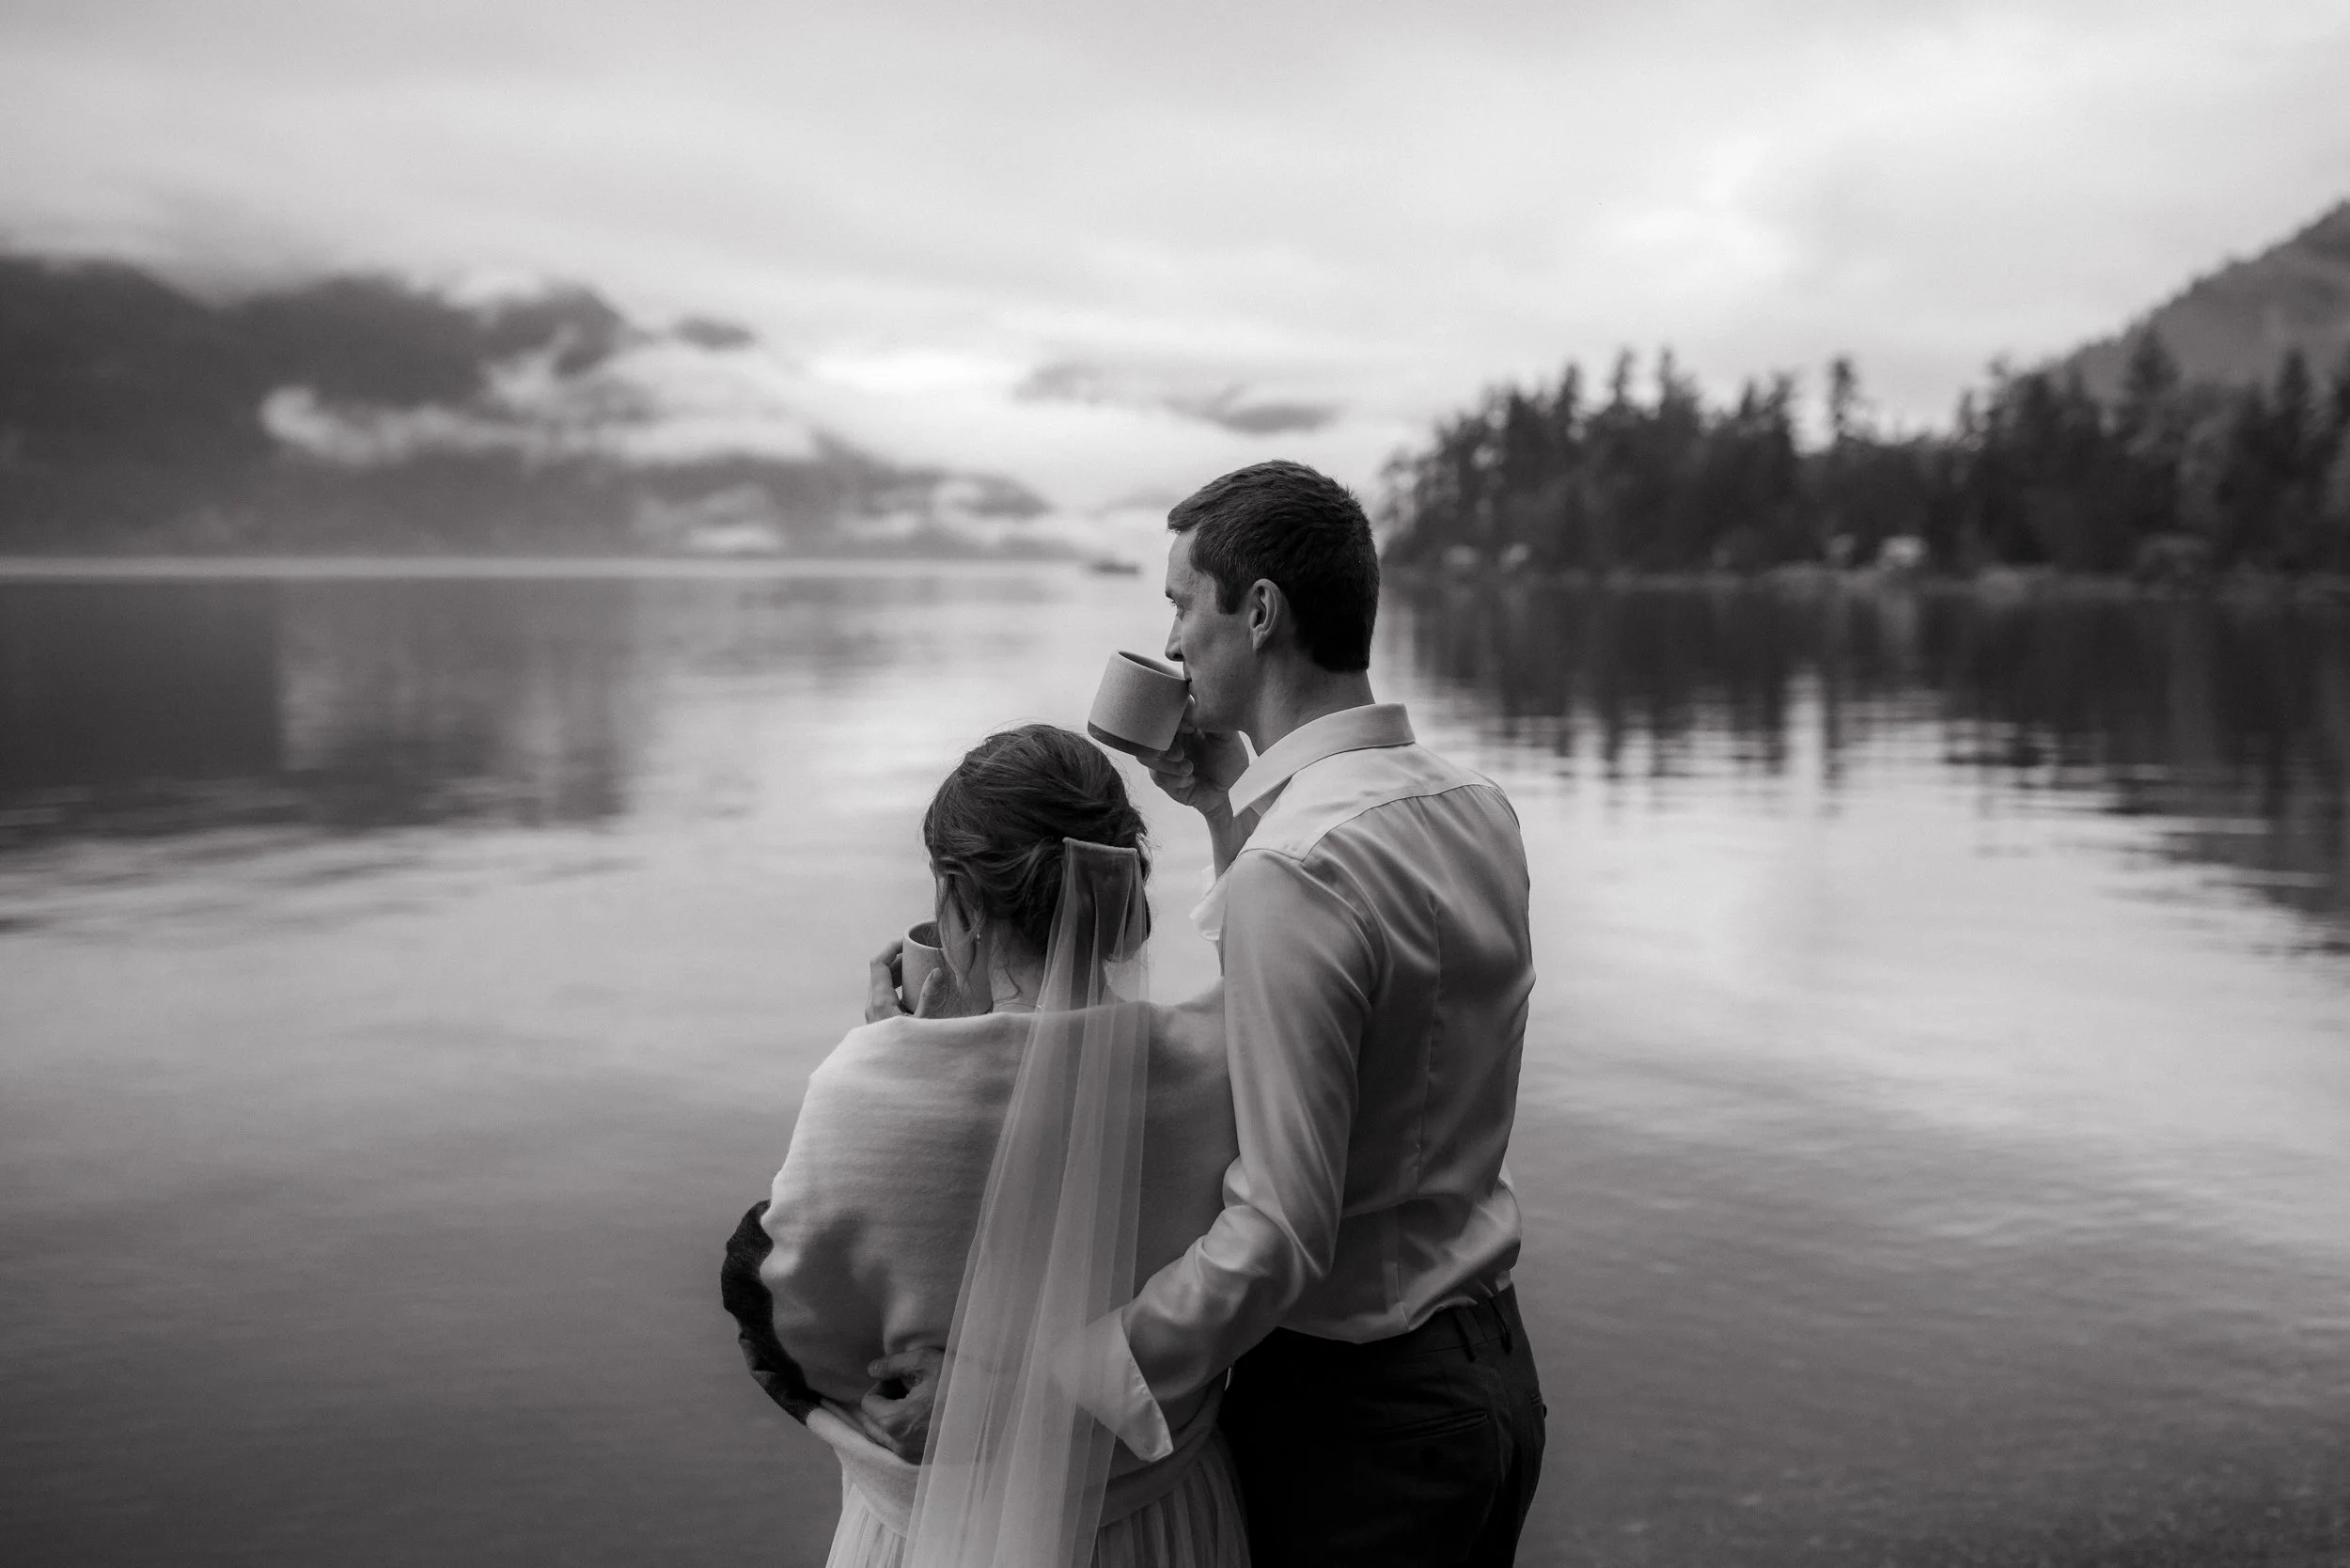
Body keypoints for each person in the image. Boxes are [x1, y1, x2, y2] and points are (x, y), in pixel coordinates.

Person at [1105, 459, 1546, 1563]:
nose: (1167, 646)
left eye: (1178, 605)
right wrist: (1220, 801)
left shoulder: (1298, 866)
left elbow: (1280, 1232)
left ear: (1257, 612)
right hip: (1490, 1375)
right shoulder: (1469, 805)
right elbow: (1368, 1015)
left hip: (1362, 1424)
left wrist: (1078, 1370)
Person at [720, 724, 1250, 1568]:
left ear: (960, 906)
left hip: (938, 1534)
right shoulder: (1218, 1061)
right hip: (1164, 1524)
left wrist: (901, 1059)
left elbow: (801, 1333)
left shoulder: (864, 1091)